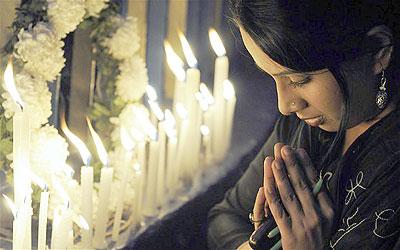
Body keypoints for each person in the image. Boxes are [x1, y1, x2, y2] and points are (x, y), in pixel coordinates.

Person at [207, 1, 400, 249]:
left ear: (379, 51)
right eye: (272, 77)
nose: (285, 106)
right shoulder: (305, 126)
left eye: (300, 79)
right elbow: (224, 219)